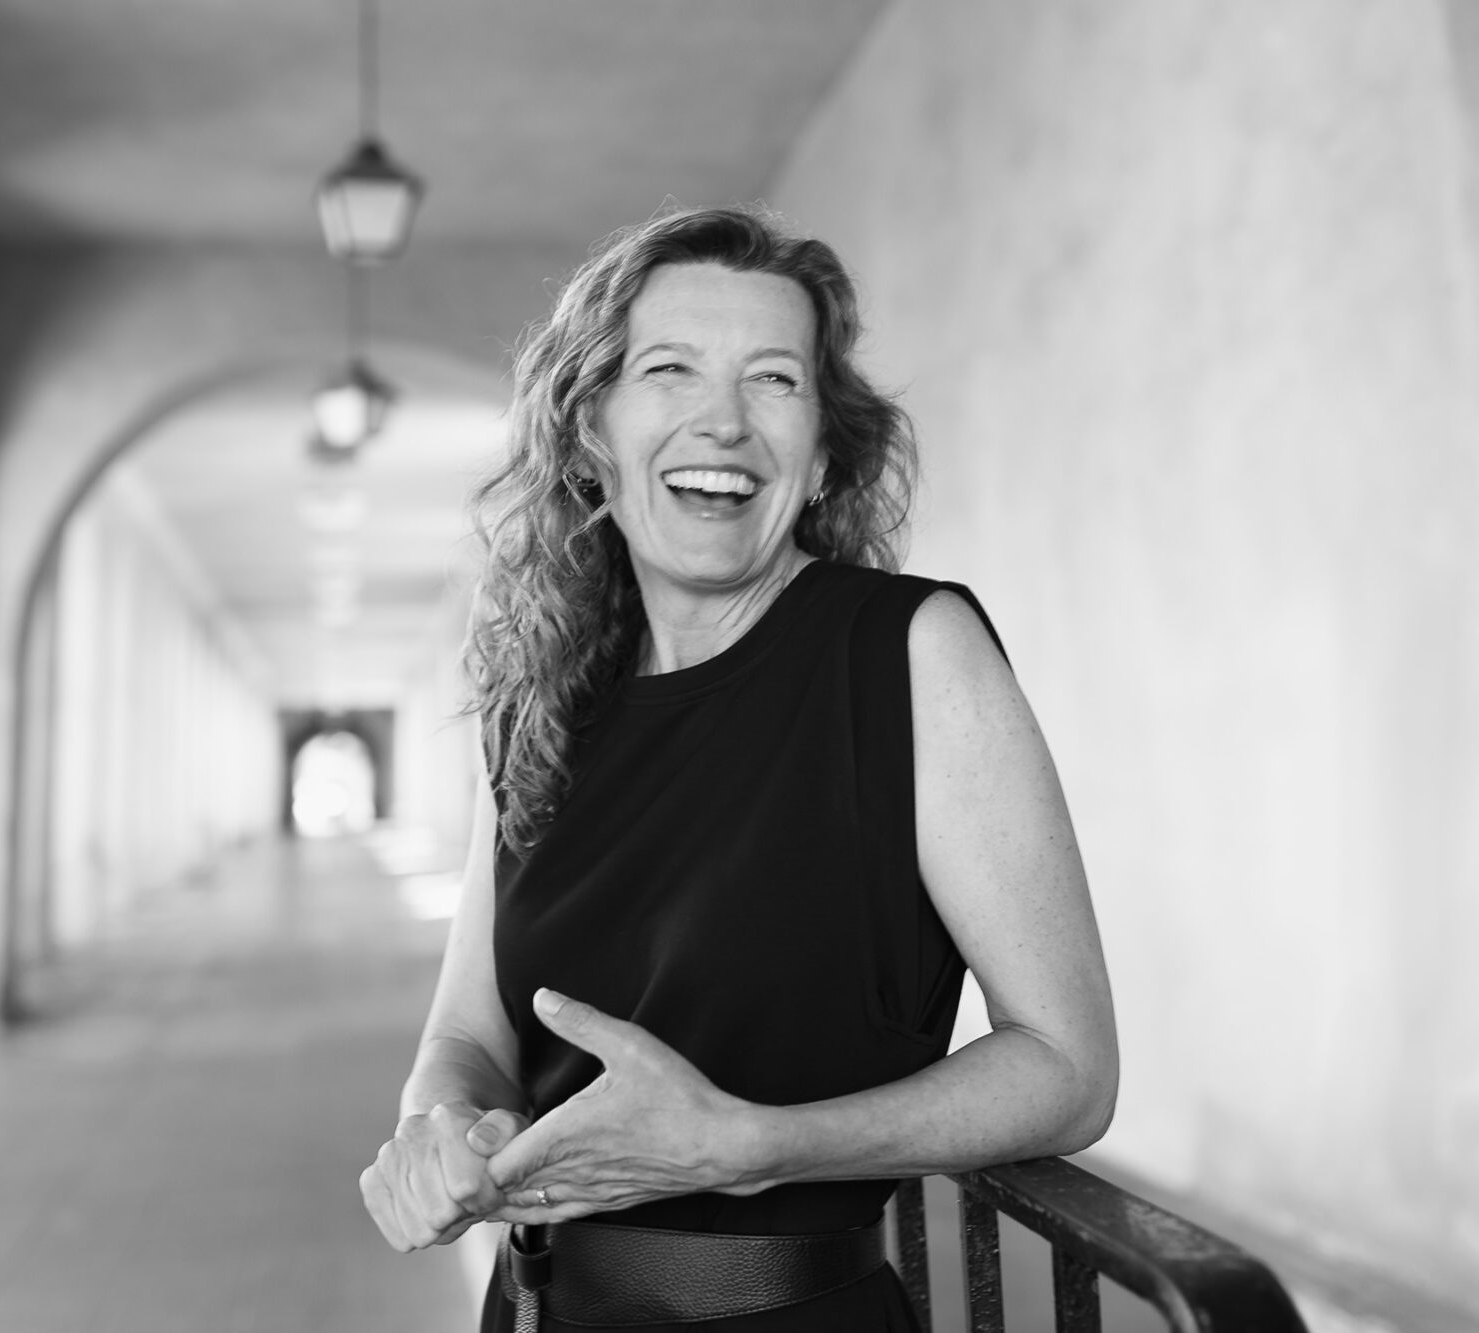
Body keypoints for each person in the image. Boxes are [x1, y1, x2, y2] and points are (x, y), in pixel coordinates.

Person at [357, 206, 1119, 1330]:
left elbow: (1067, 1066)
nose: (724, 422)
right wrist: (439, 1129)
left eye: (774, 380)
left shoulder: (909, 652)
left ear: (819, 458)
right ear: (586, 434)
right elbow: (468, 1036)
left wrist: (760, 1147)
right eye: (670, 370)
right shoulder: (540, 696)